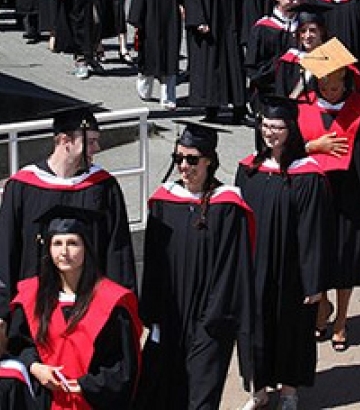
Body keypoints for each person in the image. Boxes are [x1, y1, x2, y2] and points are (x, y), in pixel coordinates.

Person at [135, 122, 255, 410]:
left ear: (209, 161)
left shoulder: (227, 206)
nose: (184, 166)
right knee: (165, 391)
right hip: (170, 317)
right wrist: (152, 315)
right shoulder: (164, 203)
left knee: (202, 395)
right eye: (178, 159)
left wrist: (214, 319)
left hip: (210, 320)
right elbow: (153, 265)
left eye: (191, 160)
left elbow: (232, 269)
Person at [297, 40, 360, 352]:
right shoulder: (302, 108)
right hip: (315, 198)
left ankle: (341, 319)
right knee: (319, 257)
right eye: (324, 83)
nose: (330, 89)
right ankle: (322, 305)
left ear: (346, 78)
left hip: (352, 196)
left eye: (336, 82)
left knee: (346, 260)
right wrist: (312, 147)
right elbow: (285, 152)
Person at [0, 105, 137, 332]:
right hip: (34, 309)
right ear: (65, 141)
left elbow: (117, 251)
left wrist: (122, 306)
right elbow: (6, 249)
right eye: (90, 141)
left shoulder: (103, 187)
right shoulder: (22, 187)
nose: (97, 148)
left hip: (90, 310)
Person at [236, 97, 332, 410]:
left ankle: (289, 392)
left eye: (277, 127)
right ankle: (259, 390)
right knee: (255, 329)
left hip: (293, 271)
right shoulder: (248, 170)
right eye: (265, 125)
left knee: (291, 329)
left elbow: (315, 231)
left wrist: (314, 281)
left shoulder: (308, 175)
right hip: (255, 267)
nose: (270, 133)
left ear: (291, 129)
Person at [2, 205, 142, 409]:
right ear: (48, 249)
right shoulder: (32, 296)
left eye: (73, 243)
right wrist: (35, 367)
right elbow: (18, 345)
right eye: (57, 243)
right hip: (43, 401)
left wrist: (85, 385)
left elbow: (123, 368)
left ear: (86, 248)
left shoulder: (111, 301)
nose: (64, 252)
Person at [128, 0, 183, 111]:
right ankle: (145, 87)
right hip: (150, 19)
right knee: (149, 53)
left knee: (170, 56)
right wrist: (137, 19)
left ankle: (168, 97)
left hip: (170, 20)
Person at [244, 0, 301, 108]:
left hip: (300, 94)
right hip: (269, 94)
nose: (295, 2)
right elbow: (252, 66)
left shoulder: (305, 27)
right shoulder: (263, 28)